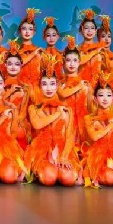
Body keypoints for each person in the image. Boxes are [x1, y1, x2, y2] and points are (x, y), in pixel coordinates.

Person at [25, 55, 79, 186]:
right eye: (44, 84)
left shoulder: (67, 109)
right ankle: (45, 169)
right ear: (39, 86)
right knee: (49, 178)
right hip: (42, 153)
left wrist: (64, 156)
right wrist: (57, 115)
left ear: (57, 86)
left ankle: (60, 166)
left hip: (62, 150)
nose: (49, 88)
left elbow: (69, 136)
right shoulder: (33, 108)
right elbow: (37, 125)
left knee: (68, 178)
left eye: (52, 84)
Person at [58, 36, 92, 143]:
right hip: (66, 123)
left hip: (82, 125)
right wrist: (78, 87)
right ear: (64, 62)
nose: (72, 64)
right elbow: (62, 95)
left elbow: (90, 107)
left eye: (75, 60)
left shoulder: (86, 84)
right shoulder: (60, 83)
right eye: (68, 60)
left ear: (79, 62)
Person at [3, 40, 31, 149]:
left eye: (16, 64)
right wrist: (10, 92)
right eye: (10, 64)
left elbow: (23, 112)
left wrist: (16, 123)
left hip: (18, 123)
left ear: (21, 65)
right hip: (2, 121)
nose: (13, 67)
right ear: (5, 65)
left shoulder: (25, 87)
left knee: (20, 131)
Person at [78, 9, 104, 86]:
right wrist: (95, 52)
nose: (89, 31)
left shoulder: (101, 48)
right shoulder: (77, 49)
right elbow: (80, 61)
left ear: (95, 31)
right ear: (82, 29)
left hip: (97, 86)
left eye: (92, 28)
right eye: (86, 28)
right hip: (80, 85)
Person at [18, 8, 42, 87]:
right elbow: (18, 64)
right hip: (21, 87)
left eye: (30, 29)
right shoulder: (15, 50)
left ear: (34, 32)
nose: (27, 32)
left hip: (36, 87)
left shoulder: (39, 50)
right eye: (24, 29)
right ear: (20, 31)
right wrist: (33, 54)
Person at [41, 16, 64, 81]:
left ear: (58, 37)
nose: (51, 38)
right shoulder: (41, 54)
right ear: (44, 37)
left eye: (54, 35)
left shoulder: (62, 54)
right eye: (48, 35)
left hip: (60, 83)